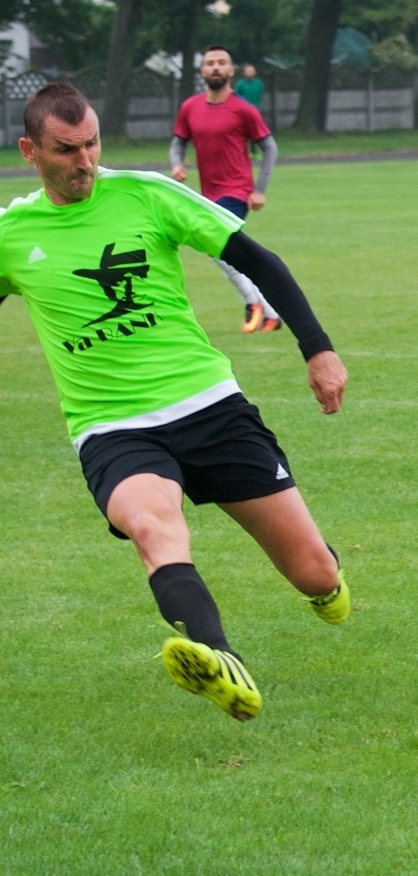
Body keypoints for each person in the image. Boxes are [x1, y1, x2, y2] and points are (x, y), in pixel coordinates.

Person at [1, 82, 352, 722]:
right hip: (112, 428)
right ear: (30, 151)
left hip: (209, 406)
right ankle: (219, 659)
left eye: (92, 144)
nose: (85, 162)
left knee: (313, 574)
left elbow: (259, 260)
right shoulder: (12, 234)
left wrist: (318, 349)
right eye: (66, 150)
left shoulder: (148, 193)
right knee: (153, 527)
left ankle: (326, 578)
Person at [171, 44, 283, 333]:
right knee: (227, 252)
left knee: (214, 245)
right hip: (208, 195)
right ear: (202, 71)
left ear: (231, 71)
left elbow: (269, 147)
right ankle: (271, 314)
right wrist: (177, 164)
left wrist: (260, 189)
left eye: (222, 62)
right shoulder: (190, 107)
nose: (216, 67)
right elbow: (178, 142)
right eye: (211, 63)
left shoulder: (243, 109)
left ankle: (252, 302)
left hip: (236, 191)